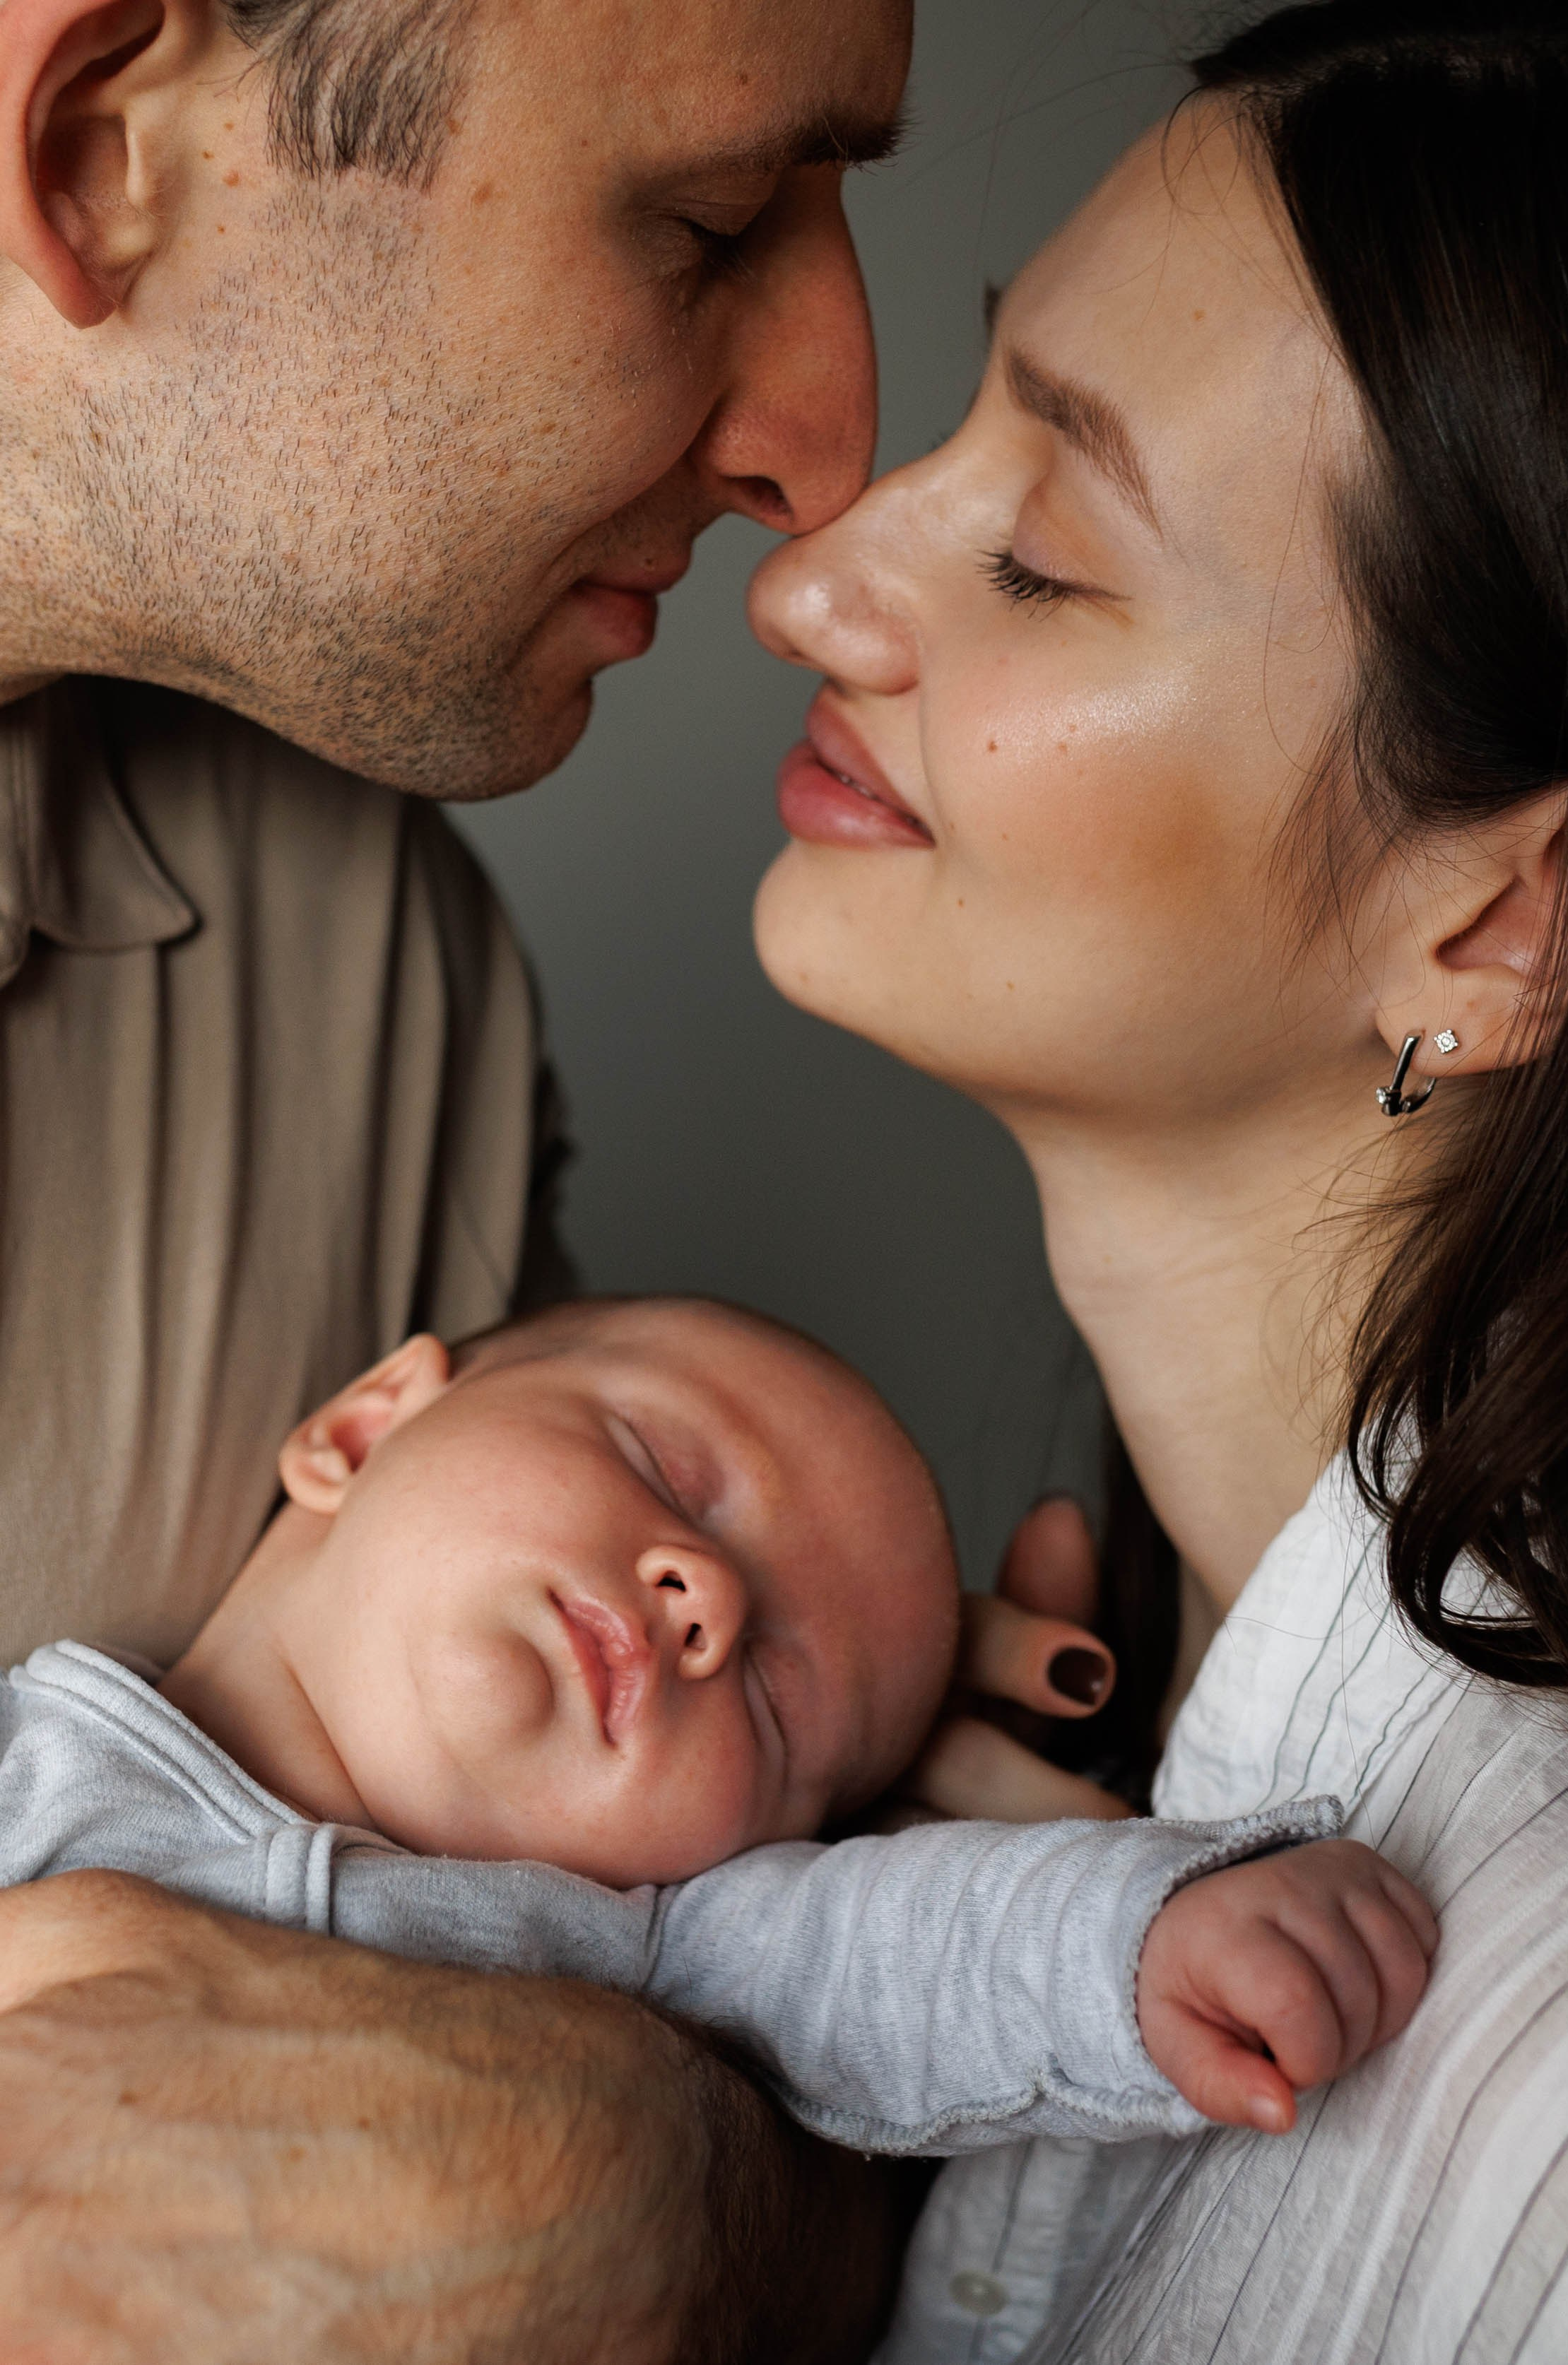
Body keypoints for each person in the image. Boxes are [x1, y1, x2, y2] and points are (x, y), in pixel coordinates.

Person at [0, 1, 1041, 2357]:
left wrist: (686, 2148)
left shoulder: (360, 956)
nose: (829, 444)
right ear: (94, 145)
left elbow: (539, 2077)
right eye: (701, 219)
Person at [741, 1, 1568, 2354]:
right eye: (970, 415)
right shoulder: (1022, 1773)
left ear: (1495, 922)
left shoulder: (1531, 2086)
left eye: (1042, 555)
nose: (810, 584)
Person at [0, 1294, 1437, 2149]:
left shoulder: (652, 1958)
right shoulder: (36, 1765)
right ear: (368, 1430)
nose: (708, 1605)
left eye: (775, 1702)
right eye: (668, 1469)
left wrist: (1151, 1937)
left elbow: (908, 1952)